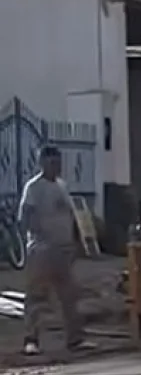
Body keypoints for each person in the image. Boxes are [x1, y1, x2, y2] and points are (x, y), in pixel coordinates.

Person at [18, 145, 97, 355]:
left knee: (69, 295)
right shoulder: (34, 187)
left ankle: (75, 338)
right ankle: (31, 338)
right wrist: (38, 236)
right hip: (42, 249)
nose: (56, 167)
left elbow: (70, 216)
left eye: (58, 163)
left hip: (63, 250)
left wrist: (75, 242)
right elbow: (25, 217)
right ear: (42, 163)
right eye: (51, 163)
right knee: (36, 296)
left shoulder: (62, 186)